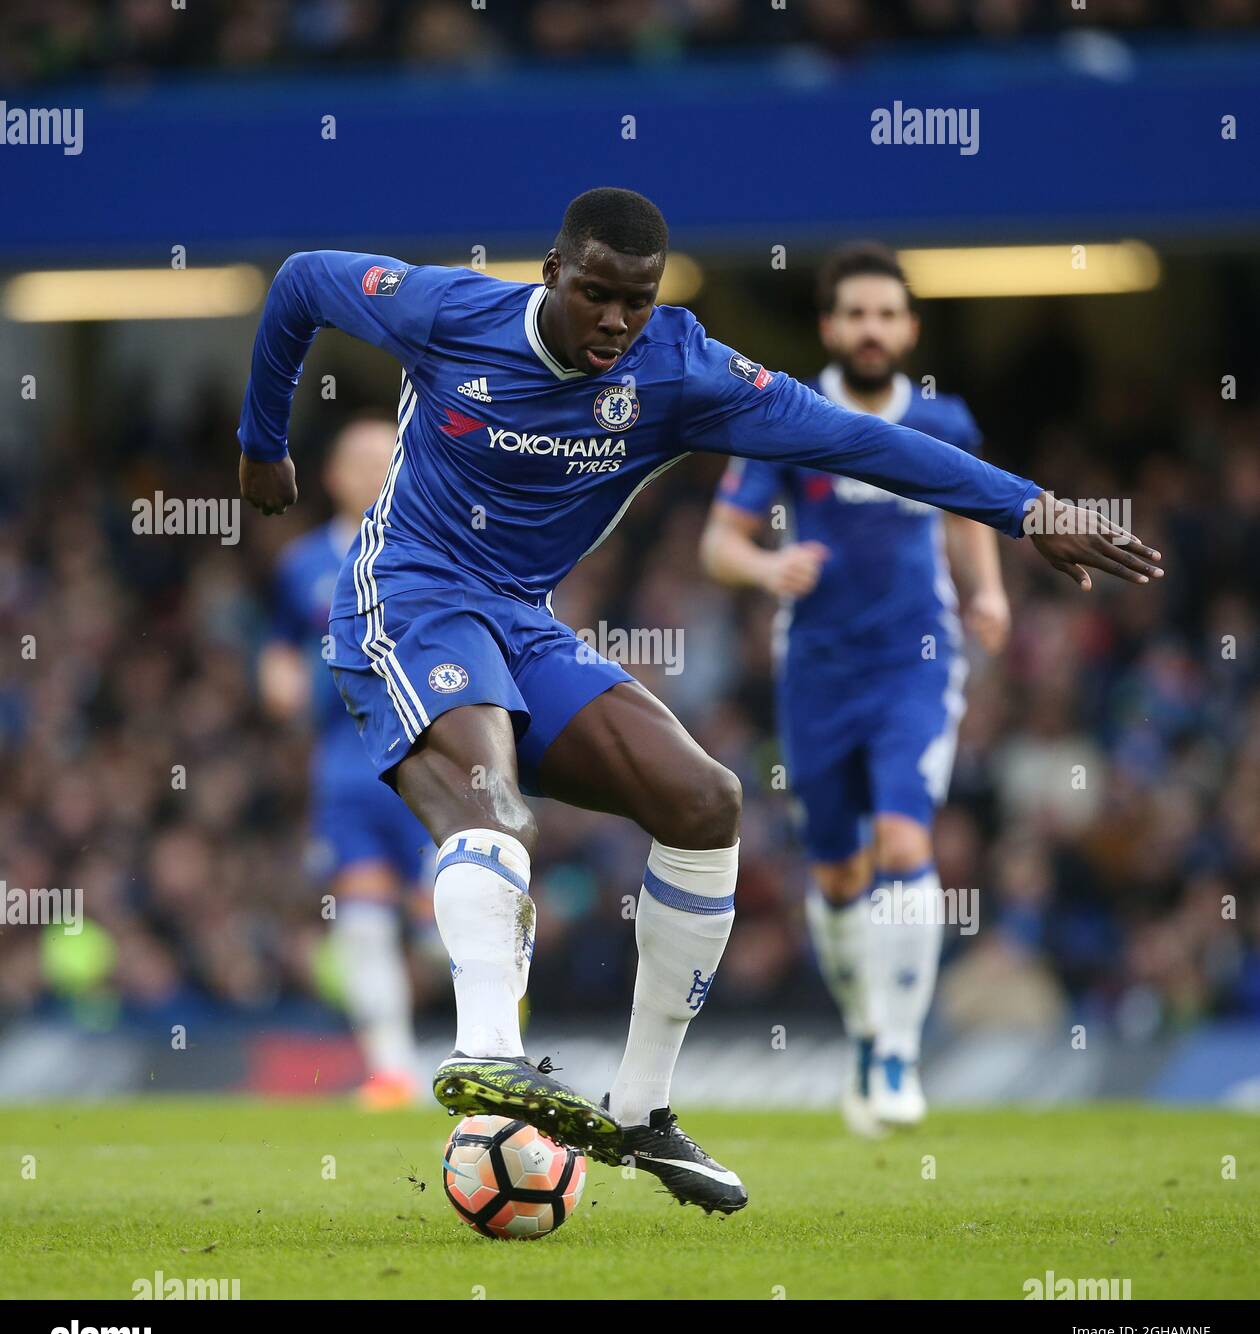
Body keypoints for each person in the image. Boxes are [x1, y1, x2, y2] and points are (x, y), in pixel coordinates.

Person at [236, 187, 1161, 1215]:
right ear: (551, 273)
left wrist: (1028, 507)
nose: (615, 322)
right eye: (595, 295)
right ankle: (487, 1052)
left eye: (635, 301)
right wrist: (261, 440)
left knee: (705, 799)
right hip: (405, 599)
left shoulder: (680, 372)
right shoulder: (449, 314)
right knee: (492, 797)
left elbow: (862, 442)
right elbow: (302, 280)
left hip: (521, 620)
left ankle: (641, 1106)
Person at [700, 243, 1008, 1135]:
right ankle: (867, 1027)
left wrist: (985, 592)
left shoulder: (943, 420)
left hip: (916, 664)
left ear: (908, 327)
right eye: (855, 315)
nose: (871, 330)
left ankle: (900, 1053)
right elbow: (719, 544)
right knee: (836, 874)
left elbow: (972, 509)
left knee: (906, 840)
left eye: (887, 315)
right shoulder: (787, 415)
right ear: (831, 326)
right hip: (818, 675)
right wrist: (767, 565)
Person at [261, 418, 428, 1108]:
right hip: (346, 766)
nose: (372, 470)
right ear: (331, 476)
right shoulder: (302, 564)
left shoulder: (429, 551)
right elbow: (277, 643)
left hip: (431, 757)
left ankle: (489, 1046)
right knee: (362, 917)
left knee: (445, 915)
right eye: (358, 459)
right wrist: (277, 679)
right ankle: (393, 1070)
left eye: (385, 457)